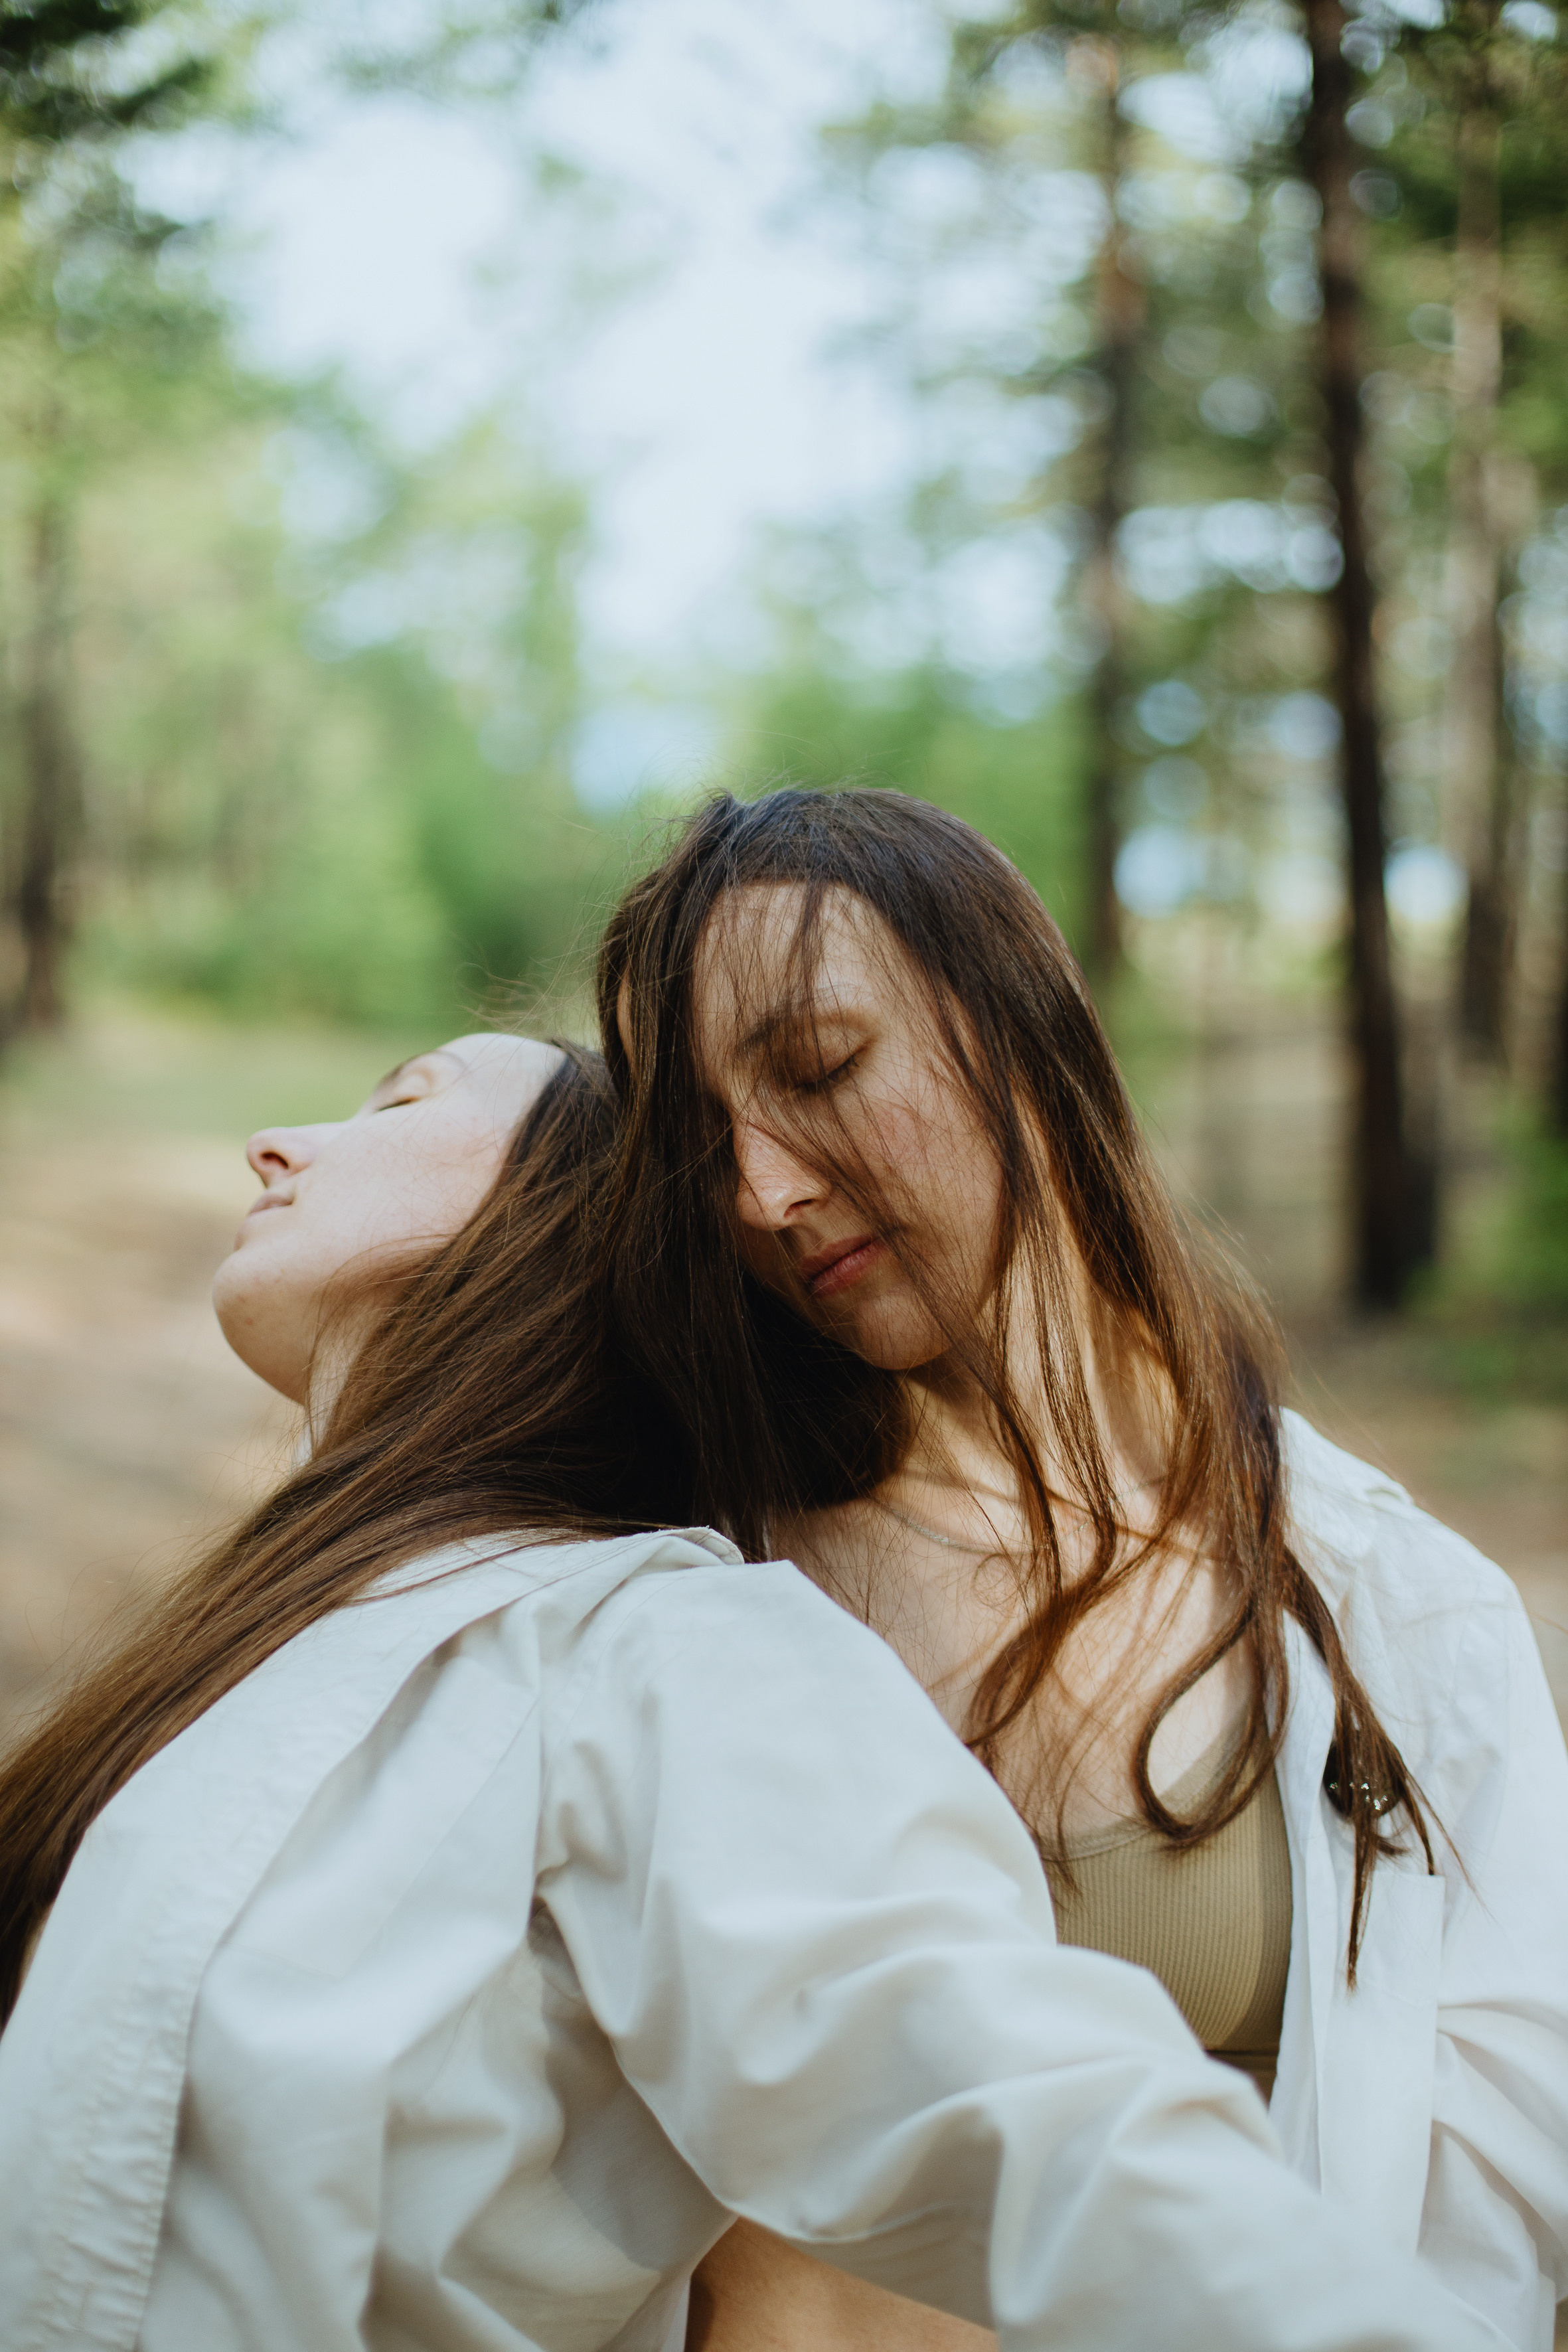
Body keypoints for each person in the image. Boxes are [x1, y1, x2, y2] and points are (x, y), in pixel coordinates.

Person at [0, 1030, 1500, 2352]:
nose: (279, 1142)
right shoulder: (283, 1635)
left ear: (568, 1217)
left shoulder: (672, 1645)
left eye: (402, 1098)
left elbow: (1001, 2090)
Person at [597, 786, 1568, 2352]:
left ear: (1018, 1025)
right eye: (711, 1146)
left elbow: (1485, 2225)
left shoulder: (1401, 1609)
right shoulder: (688, 1577)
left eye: (820, 1067)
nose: (762, 1191)